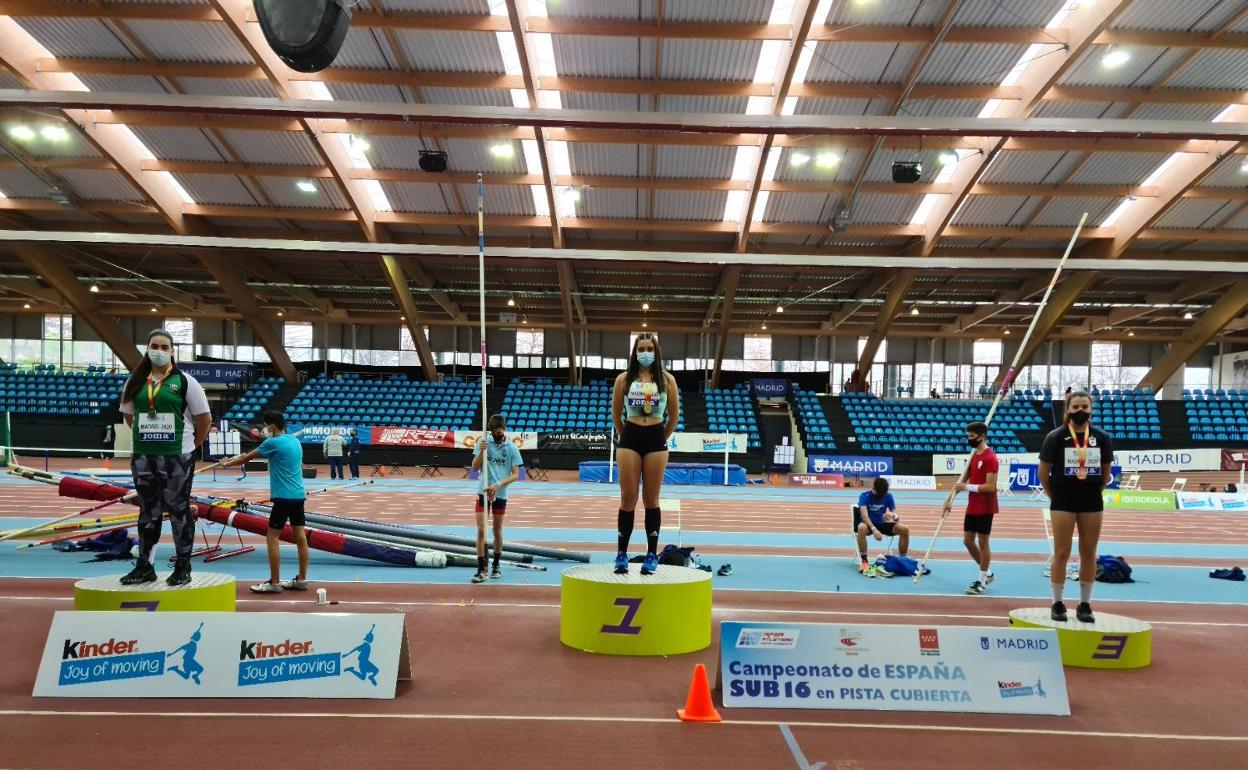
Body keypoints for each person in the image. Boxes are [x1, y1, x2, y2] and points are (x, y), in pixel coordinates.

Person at [117, 329, 211, 587]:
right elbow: (129, 416)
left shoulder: (185, 381)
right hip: (143, 456)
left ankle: (183, 566)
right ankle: (145, 566)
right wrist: (147, 437)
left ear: (171, 351)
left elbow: (204, 418)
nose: (158, 351)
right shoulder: (135, 381)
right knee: (148, 511)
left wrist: (192, 444)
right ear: (147, 348)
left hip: (177, 457)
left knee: (179, 509)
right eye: (154, 346)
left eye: (164, 347)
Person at [1039, 391, 1114, 623]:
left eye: (1084, 407)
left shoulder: (1101, 437)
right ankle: (1057, 603)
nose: (1080, 411)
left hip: (1091, 499)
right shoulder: (1055, 437)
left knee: (1089, 553)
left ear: (1091, 409)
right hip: (1063, 499)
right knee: (1061, 553)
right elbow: (1043, 473)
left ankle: (1085, 604)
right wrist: (1055, 496)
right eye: (1076, 407)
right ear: (1068, 410)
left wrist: (1094, 490)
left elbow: (1106, 473)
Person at [611, 332, 679, 576]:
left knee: (651, 499)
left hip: (656, 439)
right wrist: (628, 436)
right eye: (641, 349)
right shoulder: (623, 379)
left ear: (656, 352)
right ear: (635, 352)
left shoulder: (667, 380)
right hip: (630, 438)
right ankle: (621, 554)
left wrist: (660, 437)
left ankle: (651, 554)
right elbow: (616, 415)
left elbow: (674, 416)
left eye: (650, 348)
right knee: (628, 498)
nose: (645, 353)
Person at [222, 412, 309, 594]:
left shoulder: (272, 443)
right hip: (298, 495)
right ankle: (302, 580)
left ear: (272, 426)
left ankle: (274, 583)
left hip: (283, 497)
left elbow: (246, 458)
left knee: (272, 537)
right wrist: (241, 456)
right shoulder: (295, 441)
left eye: (265, 425)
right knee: (300, 537)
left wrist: (226, 464)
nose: (264, 429)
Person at [470, 414, 522, 583]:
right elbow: (474, 468)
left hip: (500, 493)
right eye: (494, 433)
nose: (496, 436)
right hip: (483, 492)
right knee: (481, 530)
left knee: (497, 530)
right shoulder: (484, 442)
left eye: (499, 433)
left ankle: (496, 564)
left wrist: (498, 484)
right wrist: (481, 452)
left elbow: (516, 474)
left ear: (504, 430)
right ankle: (481, 568)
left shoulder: (512, 448)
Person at [948, 421, 998, 596]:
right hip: (973, 505)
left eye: (971, 436)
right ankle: (988, 573)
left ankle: (982, 582)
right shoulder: (974, 455)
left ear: (981, 436)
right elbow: (961, 481)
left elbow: (990, 487)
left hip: (986, 506)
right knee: (968, 541)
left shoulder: (991, 458)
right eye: (967, 436)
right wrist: (948, 500)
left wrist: (966, 487)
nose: (969, 439)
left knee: (983, 542)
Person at [855, 477, 910, 575]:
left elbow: (897, 518)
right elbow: (864, 515)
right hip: (869, 524)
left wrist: (893, 515)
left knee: (904, 529)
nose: (872, 488)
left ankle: (903, 560)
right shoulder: (864, 496)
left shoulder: (888, 496)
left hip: (883, 524)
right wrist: (874, 529)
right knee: (861, 528)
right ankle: (864, 562)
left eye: (882, 493)